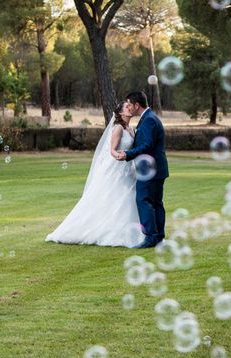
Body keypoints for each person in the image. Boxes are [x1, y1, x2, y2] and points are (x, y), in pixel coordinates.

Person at [45, 102, 144, 247]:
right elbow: (112, 150)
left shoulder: (130, 129)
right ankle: (108, 231)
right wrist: (119, 156)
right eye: (127, 108)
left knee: (127, 199)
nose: (130, 109)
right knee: (115, 197)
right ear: (120, 113)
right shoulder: (118, 128)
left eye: (130, 107)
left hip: (128, 169)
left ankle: (128, 230)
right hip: (117, 169)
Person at [117, 91, 169, 248]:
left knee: (144, 200)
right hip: (157, 169)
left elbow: (146, 145)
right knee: (156, 202)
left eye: (130, 104)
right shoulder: (149, 117)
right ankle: (159, 235)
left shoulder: (148, 120)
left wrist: (127, 154)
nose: (129, 108)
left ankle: (150, 237)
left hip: (149, 170)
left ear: (136, 105)